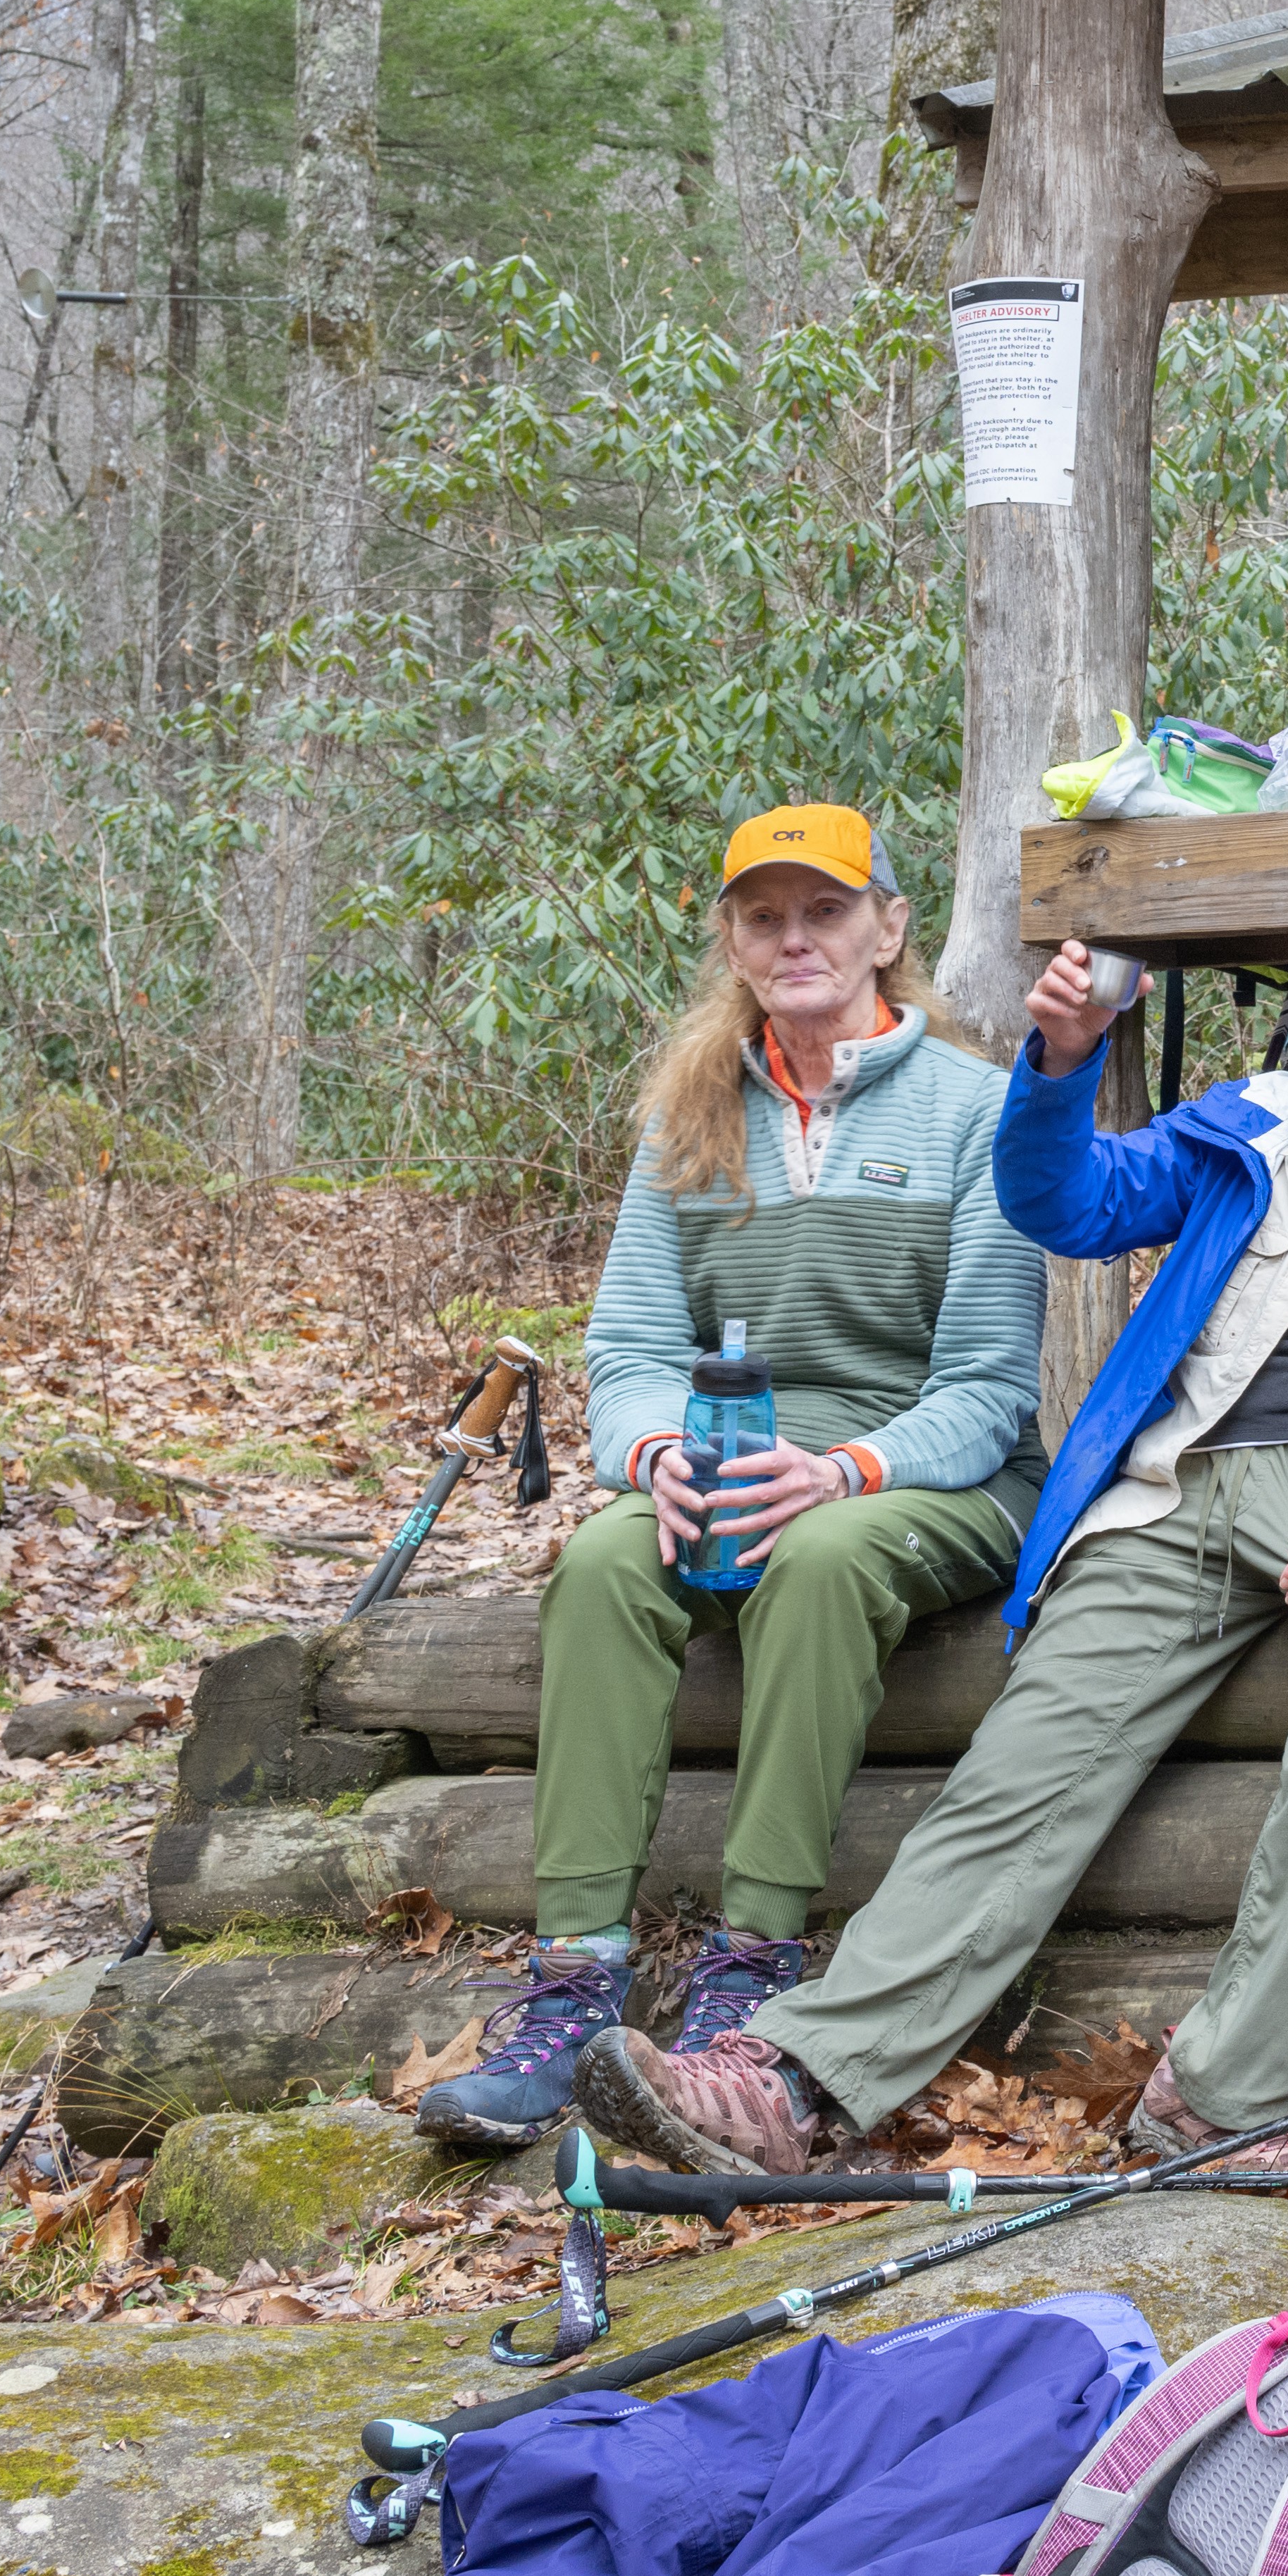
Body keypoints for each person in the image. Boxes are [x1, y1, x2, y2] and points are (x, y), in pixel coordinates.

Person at [565, 873, 1288, 2176]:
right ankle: (800, 2079)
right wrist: (1058, 1059)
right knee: (1032, 1744)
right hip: (1186, 1481)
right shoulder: (1245, 1127)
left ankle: (1220, 2093)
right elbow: (1067, 1203)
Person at [419, 807, 1043, 2148]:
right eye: (766, 916)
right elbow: (635, 1347)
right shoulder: (693, 1116)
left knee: (820, 1559)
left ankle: (752, 1964)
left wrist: (844, 1469)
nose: (797, 937)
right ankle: (575, 1979)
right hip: (735, 1464)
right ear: (735, 941)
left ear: (888, 925)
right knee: (599, 1560)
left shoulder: (979, 1110)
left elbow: (989, 1387)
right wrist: (657, 1458)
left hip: (925, 1471)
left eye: (826, 909)